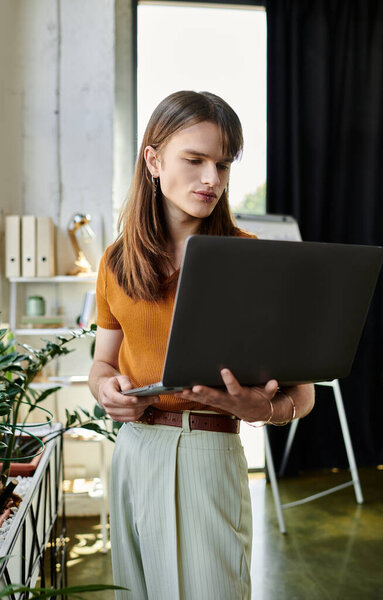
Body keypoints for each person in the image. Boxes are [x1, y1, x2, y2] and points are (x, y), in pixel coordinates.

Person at [89, 90, 315, 600]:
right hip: (132, 453)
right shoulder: (116, 262)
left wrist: (266, 409)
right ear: (153, 159)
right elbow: (102, 361)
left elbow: (304, 394)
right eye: (194, 160)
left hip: (209, 451)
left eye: (223, 164)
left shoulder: (250, 259)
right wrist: (106, 389)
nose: (211, 178)